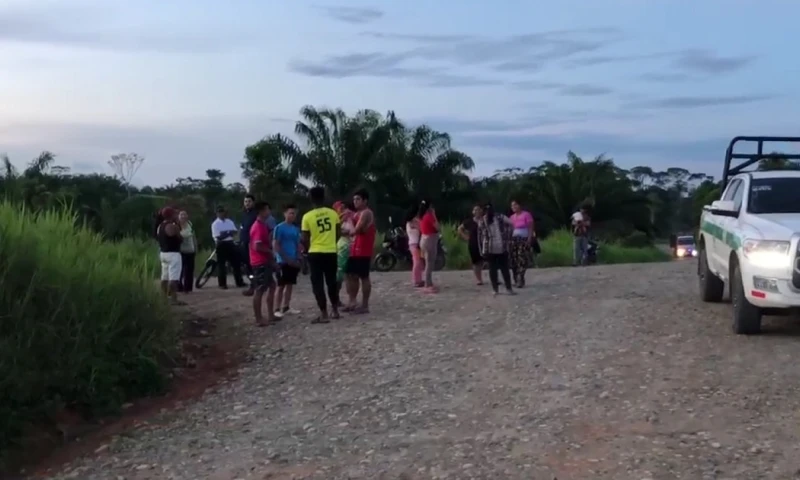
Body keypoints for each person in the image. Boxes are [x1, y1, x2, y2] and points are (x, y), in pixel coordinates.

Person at [301, 186, 341, 323]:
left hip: (315, 252)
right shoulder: (333, 213)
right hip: (331, 251)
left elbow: (305, 238)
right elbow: (338, 233)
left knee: (317, 284)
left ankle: (324, 313)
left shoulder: (307, 216)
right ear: (324, 197)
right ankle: (335, 310)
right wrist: (331, 243)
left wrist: (307, 251)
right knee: (332, 281)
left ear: (311, 199)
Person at [344, 189, 376, 312]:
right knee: (350, 275)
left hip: (363, 249)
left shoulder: (366, 213)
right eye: (354, 199)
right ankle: (352, 301)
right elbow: (348, 231)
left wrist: (349, 220)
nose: (355, 202)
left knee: (364, 277)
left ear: (365, 201)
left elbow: (354, 231)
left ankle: (365, 305)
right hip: (354, 248)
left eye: (358, 199)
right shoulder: (356, 214)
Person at [478, 203, 516, 296]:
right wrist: (508, 234)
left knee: (492, 269)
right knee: (504, 268)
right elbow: (511, 223)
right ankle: (509, 289)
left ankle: (495, 290)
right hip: (502, 246)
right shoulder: (500, 217)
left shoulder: (482, 220)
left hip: (489, 247)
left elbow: (480, 233)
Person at [249, 201, 277, 326]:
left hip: (264, 261)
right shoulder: (258, 227)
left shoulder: (263, 225)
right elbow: (257, 246)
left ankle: (270, 315)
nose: (268, 212)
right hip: (259, 261)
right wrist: (271, 252)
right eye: (266, 209)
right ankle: (258, 318)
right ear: (261, 211)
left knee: (272, 285)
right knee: (259, 289)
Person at [272, 204, 302, 319]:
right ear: (285, 214)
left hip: (293, 259)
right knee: (281, 285)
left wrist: (298, 257)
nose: (293, 215)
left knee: (290, 284)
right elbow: (276, 244)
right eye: (291, 213)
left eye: (294, 214)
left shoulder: (295, 228)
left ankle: (286, 306)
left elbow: (297, 244)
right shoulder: (279, 228)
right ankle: (276, 309)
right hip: (283, 260)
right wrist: (285, 258)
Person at [156, 207, 186, 305]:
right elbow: (180, 239)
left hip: (163, 253)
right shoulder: (172, 226)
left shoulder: (160, 226)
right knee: (174, 278)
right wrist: (177, 227)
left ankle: (164, 298)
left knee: (164, 277)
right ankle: (173, 299)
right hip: (173, 254)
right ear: (171, 215)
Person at [211, 206, 245, 289]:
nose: (221, 214)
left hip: (230, 243)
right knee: (221, 265)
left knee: (236, 263)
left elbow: (235, 231)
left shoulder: (229, 222)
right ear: (217, 213)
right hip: (221, 244)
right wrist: (229, 233)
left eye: (222, 212)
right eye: (219, 212)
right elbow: (218, 237)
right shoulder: (215, 224)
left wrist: (225, 233)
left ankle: (239, 282)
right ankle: (222, 284)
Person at [509, 199, 535, 288]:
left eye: (515, 205)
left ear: (519, 205)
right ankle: (516, 278)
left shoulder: (526, 215)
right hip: (514, 240)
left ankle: (520, 277)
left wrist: (529, 238)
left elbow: (530, 228)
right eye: (512, 206)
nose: (513, 207)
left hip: (523, 239)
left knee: (522, 259)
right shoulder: (512, 217)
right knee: (514, 259)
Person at [458, 204, 484, 286]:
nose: (477, 211)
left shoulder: (484, 220)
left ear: (481, 211)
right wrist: (465, 237)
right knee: (475, 261)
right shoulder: (469, 221)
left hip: (483, 242)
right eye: (475, 210)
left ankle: (481, 276)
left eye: (478, 209)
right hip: (473, 243)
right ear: (473, 212)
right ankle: (478, 279)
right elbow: (460, 229)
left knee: (482, 261)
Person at [417, 199, 439, 294]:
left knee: (428, 262)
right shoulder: (429, 216)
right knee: (430, 263)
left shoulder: (422, 216)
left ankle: (429, 282)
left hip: (424, 239)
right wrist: (434, 215)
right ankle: (427, 284)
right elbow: (437, 227)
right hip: (430, 240)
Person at [333, 200, 355, 293]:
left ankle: (342, 295)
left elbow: (351, 231)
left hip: (348, 246)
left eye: (344, 207)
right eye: (341, 208)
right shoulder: (339, 218)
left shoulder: (350, 216)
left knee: (346, 274)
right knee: (344, 274)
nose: (344, 210)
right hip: (344, 247)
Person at [240, 194, 258, 296]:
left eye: (249, 201)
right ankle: (253, 282)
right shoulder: (244, 214)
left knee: (253, 265)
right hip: (244, 243)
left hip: (253, 244)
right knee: (246, 265)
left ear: (253, 202)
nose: (247, 203)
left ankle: (254, 285)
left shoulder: (255, 214)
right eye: (245, 201)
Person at [178, 210, 197, 293]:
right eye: (181, 215)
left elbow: (193, 236)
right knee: (180, 270)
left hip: (190, 250)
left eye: (184, 215)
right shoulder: (176, 226)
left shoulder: (190, 224)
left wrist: (195, 247)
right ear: (178, 217)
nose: (183, 216)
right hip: (181, 250)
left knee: (189, 270)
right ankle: (179, 286)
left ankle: (188, 287)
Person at [406, 204, 424, 287]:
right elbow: (422, 228)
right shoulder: (413, 222)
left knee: (419, 262)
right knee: (417, 262)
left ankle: (418, 279)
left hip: (415, 243)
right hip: (414, 244)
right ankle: (416, 280)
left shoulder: (410, 222)